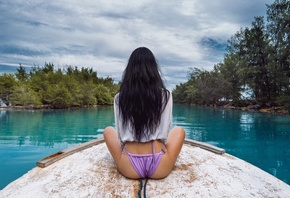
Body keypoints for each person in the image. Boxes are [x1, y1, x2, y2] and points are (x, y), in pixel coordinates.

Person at [103, 47, 185, 180]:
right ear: (153, 69)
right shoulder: (165, 95)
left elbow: (121, 134)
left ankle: (124, 160)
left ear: (129, 70)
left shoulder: (119, 98)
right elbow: (165, 130)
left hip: (129, 166)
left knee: (108, 130)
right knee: (179, 131)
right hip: (159, 165)